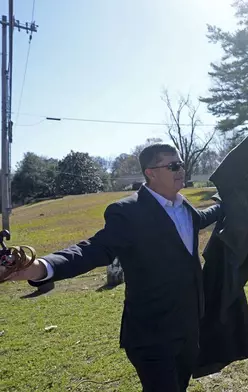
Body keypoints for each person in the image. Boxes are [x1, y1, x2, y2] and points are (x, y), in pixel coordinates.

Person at [4, 143, 224, 392]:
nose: (180, 170)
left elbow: (205, 217)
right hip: (152, 336)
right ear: (150, 172)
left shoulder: (185, 208)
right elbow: (93, 249)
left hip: (188, 329)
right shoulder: (128, 212)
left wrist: (227, 201)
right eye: (172, 166)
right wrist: (41, 267)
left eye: (181, 164)